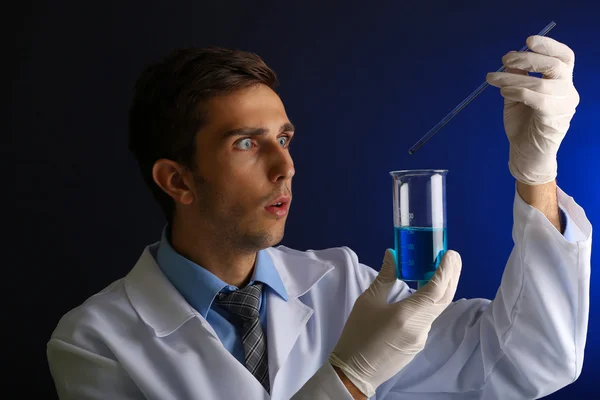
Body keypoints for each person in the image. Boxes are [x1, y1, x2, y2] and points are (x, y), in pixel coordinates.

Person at [47, 35, 592, 400]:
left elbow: (528, 359)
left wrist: (536, 173)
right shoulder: (95, 342)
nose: (285, 166)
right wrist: (350, 378)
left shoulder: (344, 286)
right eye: (246, 143)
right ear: (178, 180)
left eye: (284, 138)